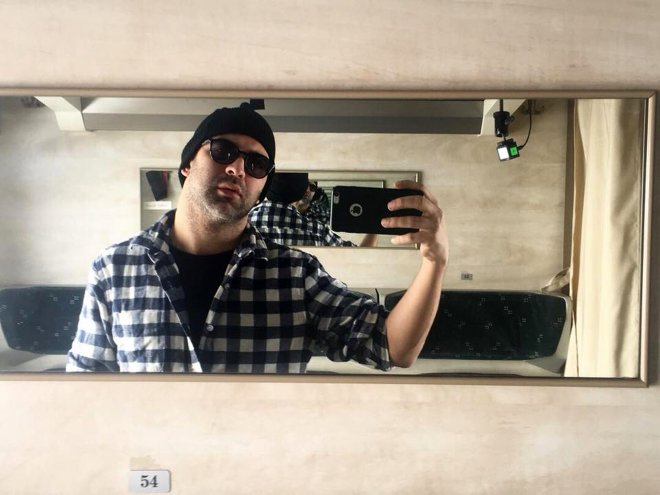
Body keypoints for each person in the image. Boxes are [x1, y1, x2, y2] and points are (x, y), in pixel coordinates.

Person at [66, 103, 449, 373]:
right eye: (223, 151)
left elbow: (393, 347)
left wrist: (435, 261)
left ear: (263, 186)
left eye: (257, 164)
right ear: (187, 164)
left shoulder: (295, 275)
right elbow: (85, 386)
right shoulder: (114, 268)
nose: (237, 168)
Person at [248, 172, 356, 247]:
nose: (307, 190)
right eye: (305, 185)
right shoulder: (317, 231)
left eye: (312, 187)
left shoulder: (244, 222)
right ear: (299, 189)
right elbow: (356, 254)